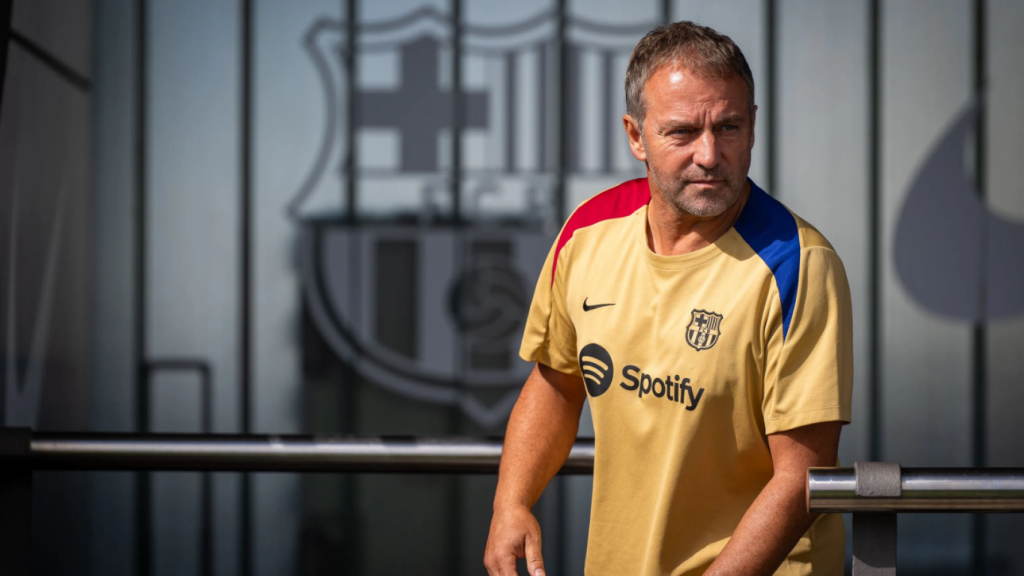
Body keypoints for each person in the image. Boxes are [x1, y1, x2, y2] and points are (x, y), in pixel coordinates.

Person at [484, 21, 853, 576]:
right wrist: (510, 503)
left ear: (753, 125)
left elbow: (801, 475)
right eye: (682, 132)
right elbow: (556, 385)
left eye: (729, 127)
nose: (710, 154)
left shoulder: (798, 264)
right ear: (636, 136)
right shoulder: (587, 234)